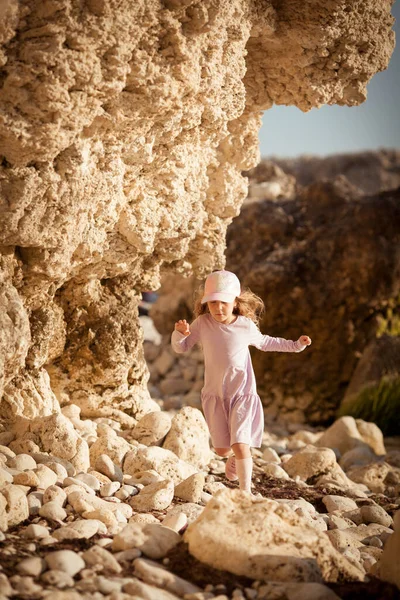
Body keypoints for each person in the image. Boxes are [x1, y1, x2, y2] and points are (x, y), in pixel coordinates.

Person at [171, 270, 311, 494]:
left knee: (240, 444)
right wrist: (179, 334)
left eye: (223, 302)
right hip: (215, 394)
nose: (218, 308)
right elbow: (182, 347)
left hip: (242, 393)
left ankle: (246, 492)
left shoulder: (245, 326)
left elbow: (266, 342)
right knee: (222, 449)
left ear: (235, 301)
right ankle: (234, 456)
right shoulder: (202, 323)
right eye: (213, 302)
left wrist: (296, 345)